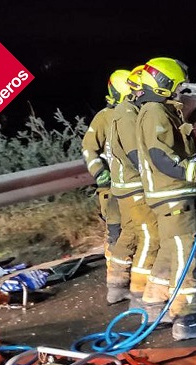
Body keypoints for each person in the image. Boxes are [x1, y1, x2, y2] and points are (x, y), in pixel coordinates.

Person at [136, 56, 196, 340]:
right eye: (176, 86)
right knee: (187, 258)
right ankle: (187, 321)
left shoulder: (155, 111)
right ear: (163, 84)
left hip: (167, 198)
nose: (178, 91)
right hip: (173, 198)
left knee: (171, 253)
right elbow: (161, 155)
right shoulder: (155, 113)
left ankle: (153, 305)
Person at [104, 65, 160, 307]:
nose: (140, 93)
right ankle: (139, 293)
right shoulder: (127, 116)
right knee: (151, 238)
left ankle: (116, 287)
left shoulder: (119, 113)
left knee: (129, 234)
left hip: (123, 187)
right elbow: (135, 154)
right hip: (134, 187)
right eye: (137, 90)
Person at [81, 71, 125, 266]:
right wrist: (99, 172)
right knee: (116, 234)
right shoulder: (104, 118)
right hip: (111, 189)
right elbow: (89, 148)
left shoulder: (135, 114)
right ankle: (117, 279)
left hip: (134, 186)